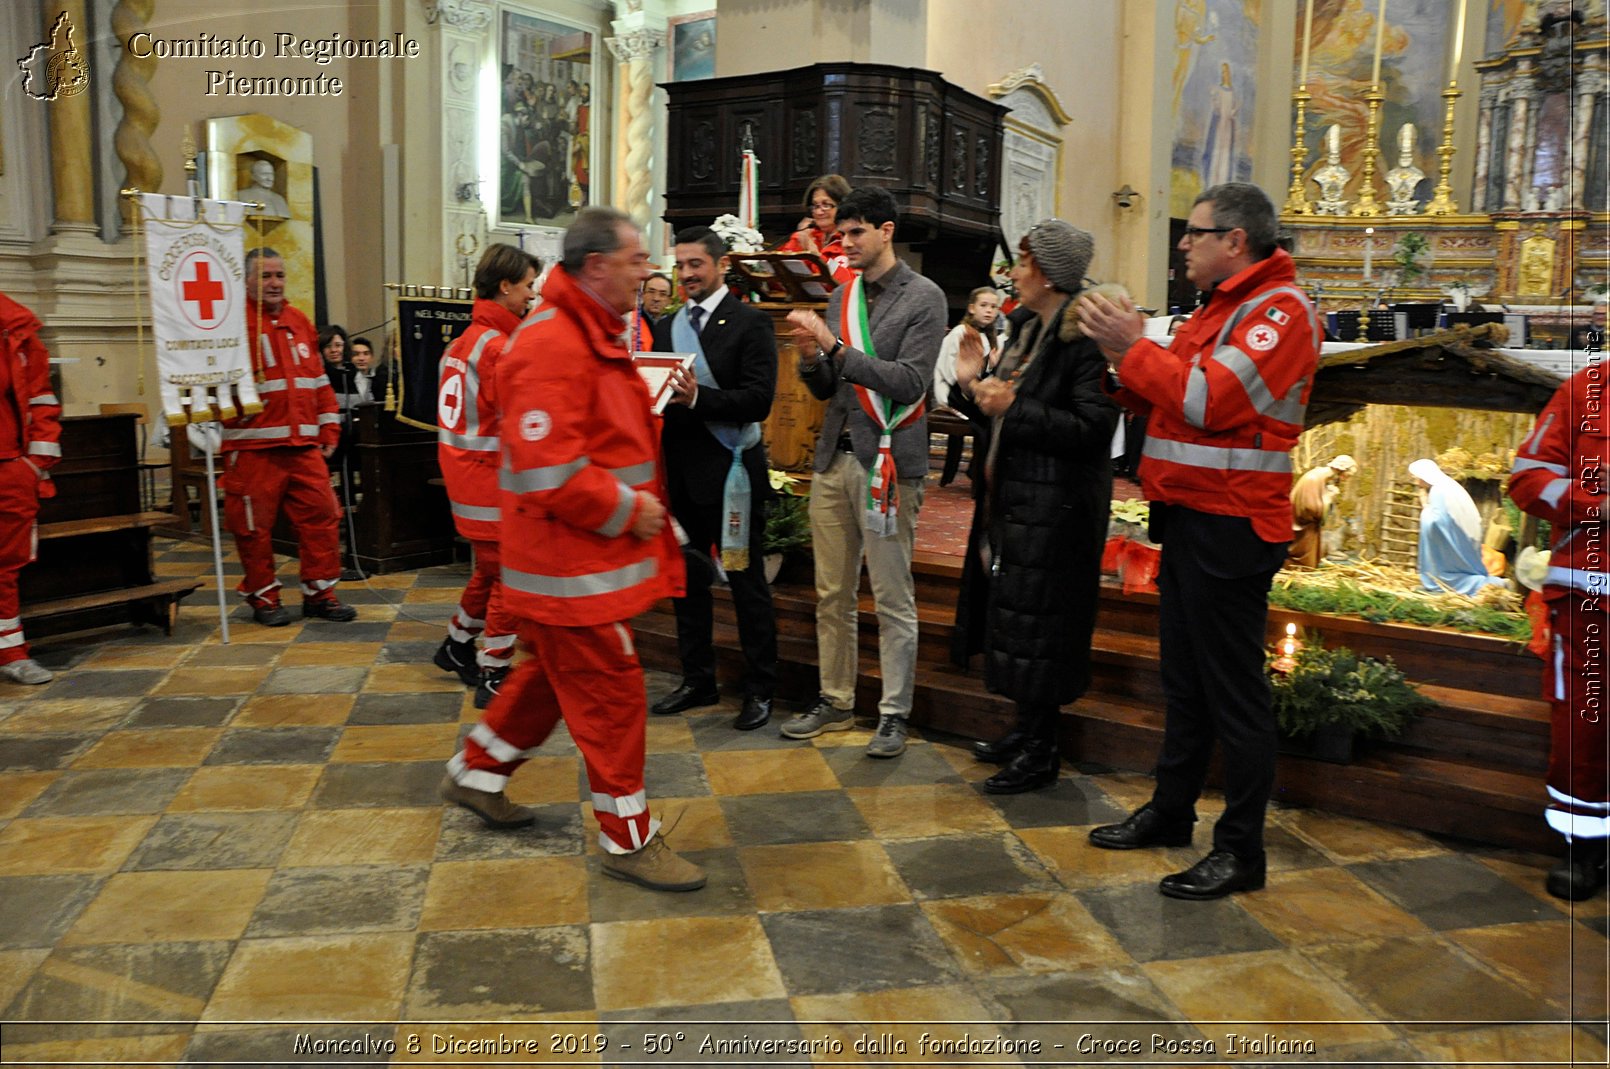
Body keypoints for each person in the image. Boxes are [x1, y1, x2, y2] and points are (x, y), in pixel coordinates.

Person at [438, 207, 701, 893]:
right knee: (613, 695)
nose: (649, 270)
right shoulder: (551, 341)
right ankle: (629, 838)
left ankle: (479, 772)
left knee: (549, 678)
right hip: (565, 565)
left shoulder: (587, 329)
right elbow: (544, 468)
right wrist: (629, 510)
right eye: (637, 258)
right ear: (596, 267)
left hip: (582, 558)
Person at [1078, 182, 1320, 900]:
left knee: (1233, 693)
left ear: (1235, 241)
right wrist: (1118, 361)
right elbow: (1167, 388)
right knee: (1185, 680)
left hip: (1234, 522)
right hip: (1189, 514)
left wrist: (1135, 349)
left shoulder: (1280, 311)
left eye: (1196, 231)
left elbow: (1211, 400)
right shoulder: (1218, 308)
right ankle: (1171, 810)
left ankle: (1241, 849)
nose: (1183, 241)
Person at [948, 222, 1120, 793]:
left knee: (1044, 625)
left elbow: (1093, 428)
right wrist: (972, 385)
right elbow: (997, 412)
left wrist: (1012, 404)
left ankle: (1042, 751)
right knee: (1018, 618)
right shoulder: (1026, 327)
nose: (1012, 275)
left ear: (1045, 272)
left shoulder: (1082, 339)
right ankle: (1024, 731)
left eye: (1020, 264)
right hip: (1017, 501)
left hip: (1059, 509)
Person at [782, 185, 947, 758]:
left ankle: (895, 712)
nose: (844, 243)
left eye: (855, 233)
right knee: (832, 591)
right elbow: (830, 388)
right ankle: (835, 699)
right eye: (840, 233)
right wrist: (811, 360)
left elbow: (909, 382)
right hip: (836, 458)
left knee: (892, 593)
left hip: (891, 463)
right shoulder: (841, 297)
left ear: (886, 232)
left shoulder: (925, 298)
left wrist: (836, 349)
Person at [649, 226, 780, 730]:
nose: (686, 276)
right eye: (680, 266)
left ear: (721, 265)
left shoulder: (749, 324)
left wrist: (699, 399)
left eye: (695, 265)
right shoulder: (667, 327)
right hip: (682, 474)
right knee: (687, 582)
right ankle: (697, 679)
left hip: (731, 475)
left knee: (747, 585)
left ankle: (760, 689)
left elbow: (758, 399)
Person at [1509, 363, 1610, 899]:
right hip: (1589, 605)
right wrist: (1598, 500)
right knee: (1584, 733)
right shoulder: (1587, 392)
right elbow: (1527, 480)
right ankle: (1584, 849)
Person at [220, 248, 356, 626]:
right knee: (252, 527)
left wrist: (329, 427)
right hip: (252, 446)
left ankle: (320, 593)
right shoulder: (229, 325)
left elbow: (317, 380)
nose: (275, 283)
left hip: (302, 446)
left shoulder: (299, 320)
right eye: (265, 276)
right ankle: (264, 597)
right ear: (245, 280)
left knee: (324, 515)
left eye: (279, 275)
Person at [434, 244, 540, 708]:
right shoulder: (499, 347)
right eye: (528, 286)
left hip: (464, 477)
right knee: (509, 581)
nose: (531, 297)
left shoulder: (463, 341)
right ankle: (494, 672)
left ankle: (456, 646)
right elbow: (522, 418)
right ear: (505, 286)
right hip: (490, 480)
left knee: (490, 571)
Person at [0, 291, 62, 685]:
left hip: (9, 468)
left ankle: (11, 652)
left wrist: (34, 464)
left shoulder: (16, 326)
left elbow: (41, 398)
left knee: (5, 567)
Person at [1409, 458, 1504, 596]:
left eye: (1417, 478)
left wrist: (1425, 507)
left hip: (1450, 541)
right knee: (1451, 572)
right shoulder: (1446, 485)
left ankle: (1493, 584)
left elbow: (1435, 521)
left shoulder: (1438, 490)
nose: (1416, 482)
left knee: (1449, 575)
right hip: (1455, 536)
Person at [932, 286, 1003, 409]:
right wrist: (968, 377)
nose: (989, 310)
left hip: (974, 395)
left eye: (993, 307)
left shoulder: (993, 338)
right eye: (983, 305)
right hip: (952, 396)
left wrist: (990, 366)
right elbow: (947, 369)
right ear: (972, 308)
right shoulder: (961, 332)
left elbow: (983, 374)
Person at [777, 174, 854, 284]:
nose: (818, 212)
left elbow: (849, 285)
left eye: (826, 205)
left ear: (842, 206)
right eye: (815, 206)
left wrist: (815, 256)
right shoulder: (806, 236)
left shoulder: (853, 241)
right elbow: (778, 275)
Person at [1287, 454, 1357, 568]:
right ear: (1342, 470)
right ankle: (1298, 567)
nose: (1347, 479)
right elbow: (1310, 508)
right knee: (1304, 561)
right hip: (1302, 525)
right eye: (1348, 475)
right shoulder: (1314, 478)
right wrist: (1329, 497)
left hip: (1308, 525)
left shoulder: (1322, 477)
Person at [345, 336, 389, 407]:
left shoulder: (380, 378)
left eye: (366, 354)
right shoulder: (345, 380)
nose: (361, 358)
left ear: (372, 357)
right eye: (356, 354)